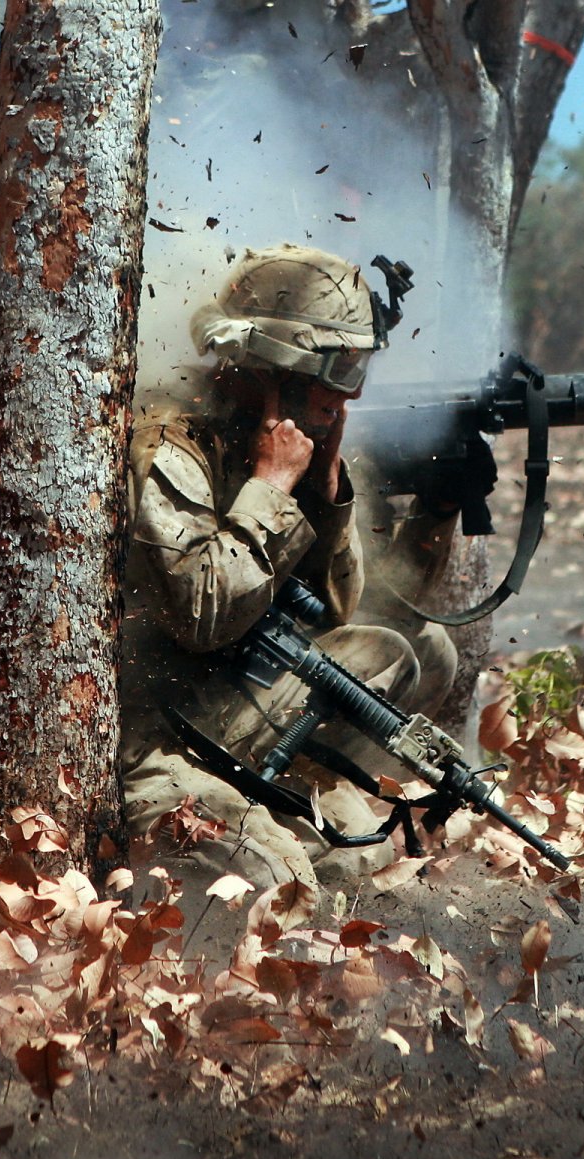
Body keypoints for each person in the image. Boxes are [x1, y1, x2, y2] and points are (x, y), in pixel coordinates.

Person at [120, 244, 464, 910]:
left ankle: (299, 800)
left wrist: (325, 491)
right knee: (283, 887)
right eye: (339, 368)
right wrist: (272, 486)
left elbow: (337, 608)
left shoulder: (279, 436)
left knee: (412, 651)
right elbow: (201, 617)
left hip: (235, 702)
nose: (351, 393)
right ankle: (275, 823)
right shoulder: (172, 446)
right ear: (275, 365)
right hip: (161, 738)